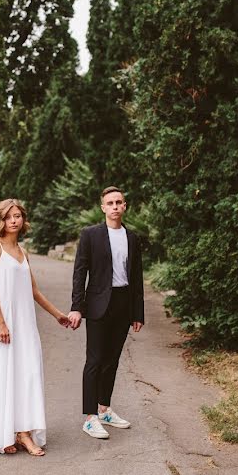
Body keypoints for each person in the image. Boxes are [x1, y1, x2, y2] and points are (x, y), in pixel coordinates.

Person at [0, 199, 71, 456]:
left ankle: (21, 432)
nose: (14, 220)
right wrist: (0, 322)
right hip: (3, 322)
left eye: (18, 216)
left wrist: (58, 315)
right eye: (9, 216)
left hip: (25, 323)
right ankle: (9, 431)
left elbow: (33, 290)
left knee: (28, 372)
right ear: (0, 220)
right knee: (4, 373)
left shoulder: (24, 252)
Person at [67, 186, 144, 439]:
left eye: (118, 202)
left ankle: (104, 409)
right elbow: (80, 272)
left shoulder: (132, 238)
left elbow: (137, 277)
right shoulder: (90, 235)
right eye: (109, 203)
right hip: (99, 304)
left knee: (112, 360)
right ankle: (90, 417)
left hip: (123, 304)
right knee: (95, 360)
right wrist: (77, 307)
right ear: (103, 208)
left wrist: (137, 313)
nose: (114, 206)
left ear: (124, 206)